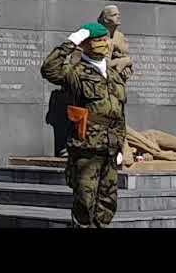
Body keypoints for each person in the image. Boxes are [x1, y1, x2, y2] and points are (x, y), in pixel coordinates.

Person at [41, 22, 127, 228]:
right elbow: (48, 69)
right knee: (84, 202)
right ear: (85, 44)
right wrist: (71, 42)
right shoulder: (75, 72)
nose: (103, 43)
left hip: (110, 147)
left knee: (108, 202)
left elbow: (120, 115)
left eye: (105, 39)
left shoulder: (114, 76)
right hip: (86, 148)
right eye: (97, 40)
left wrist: (121, 146)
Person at [98, 5, 133, 82]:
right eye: (114, 15)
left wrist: (127, 66)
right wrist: (120, 62)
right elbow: (100, 65)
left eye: (118, 15)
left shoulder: (120, 36)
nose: (118, 17)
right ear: (105, 19)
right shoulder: (98, 36)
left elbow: (126, 56)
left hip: (118, 80)